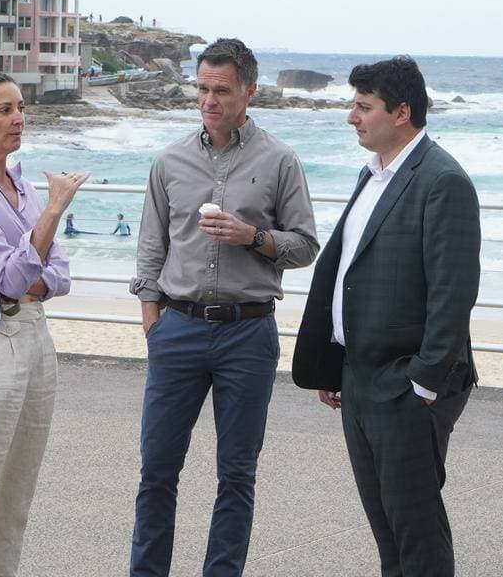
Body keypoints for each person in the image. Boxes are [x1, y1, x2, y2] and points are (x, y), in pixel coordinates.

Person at [129, 37, 319, 577]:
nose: (209, 101)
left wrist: (253, 237)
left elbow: (305, 244)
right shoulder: (169, 161)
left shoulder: (280, 161)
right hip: (178, 329)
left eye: (222, 91)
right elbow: (151, 246)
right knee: (157, 471)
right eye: (202, 89)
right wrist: (152, 321)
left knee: (236, 474)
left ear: (249, 91)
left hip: (248, 334)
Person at [292, 56, 481, 577]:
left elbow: (454, 292)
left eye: (362, 106)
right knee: (388, 533)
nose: (351, 117)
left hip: (405, 386)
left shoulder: (443, 181)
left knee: (416, 533)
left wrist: (423, 385)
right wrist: (336, 364)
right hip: (358, 377)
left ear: (401, 112)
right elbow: (350, 272)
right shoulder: (372, 174)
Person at [0, 71, 89, 577]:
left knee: (18, 489)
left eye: (20, 108)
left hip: (37, 336)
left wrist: (33, 260)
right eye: (5, 109)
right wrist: (54, 210)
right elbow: (12, 279)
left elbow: (58, 275)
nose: (19, 119)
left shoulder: (21, 182)